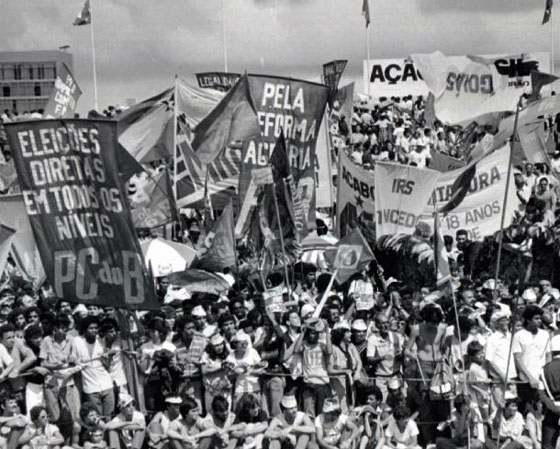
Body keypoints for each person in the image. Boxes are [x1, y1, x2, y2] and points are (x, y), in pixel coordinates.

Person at [69, 316, 115, 420]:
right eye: (91, 328)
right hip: (90, 387)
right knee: (96, 418)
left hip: (107, 384)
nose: (94, 330)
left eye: (96, 328)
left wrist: (108, 357)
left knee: (109, 417)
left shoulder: (102, 341)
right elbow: (74, 361)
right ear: (84, 330)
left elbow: (107, 366)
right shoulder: (77, 341)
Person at [512, 305, 551, 409]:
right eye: (536, 318)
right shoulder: (519, 335)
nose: (539, 321)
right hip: (525, 380)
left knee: (543, 409)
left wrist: (545, 375)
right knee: (528, 409)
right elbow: (518, 359)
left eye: (540, 319)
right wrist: (530, 377)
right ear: (528, 320)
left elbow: (548, 355)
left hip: (542, 379)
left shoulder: (545, 334)